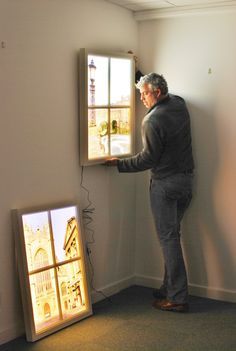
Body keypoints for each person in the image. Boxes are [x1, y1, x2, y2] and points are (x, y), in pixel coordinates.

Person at [106, 73, 194, 312]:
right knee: (172, 236)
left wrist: (119, 164)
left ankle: (177, 297)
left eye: (144, 93)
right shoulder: (178, 104)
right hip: (186, 182)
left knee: (169, 240)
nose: (141, 98)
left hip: (165, 186)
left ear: (156, 92)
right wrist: (139, 74)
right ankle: (169, 288)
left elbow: (148, 159)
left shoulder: (152, 121)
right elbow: (158, 88)